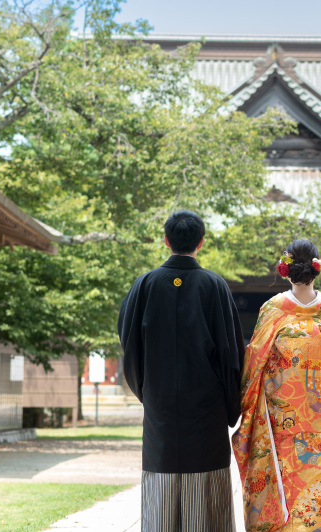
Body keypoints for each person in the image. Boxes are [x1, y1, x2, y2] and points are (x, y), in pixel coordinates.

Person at [118, 210, 244, 532]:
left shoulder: (144, 285)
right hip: (206, 414)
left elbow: (130, 346)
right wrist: (231, 408)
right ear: (201, 242)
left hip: (161, 411)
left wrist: (147, 392)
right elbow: (231, 354)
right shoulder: (215, 286)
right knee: (207, 503)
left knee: (161, 493)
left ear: (166, 240)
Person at [232, 239, 321, 531]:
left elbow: (254, 364)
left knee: (286, 487)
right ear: (316, 269)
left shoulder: (272, 309)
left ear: (285, 269)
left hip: (283, 421)